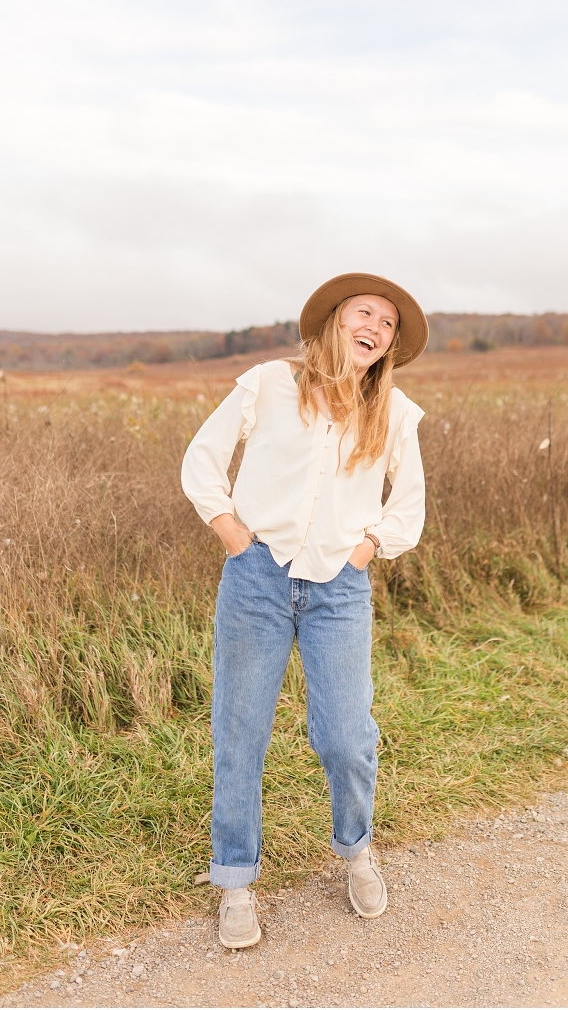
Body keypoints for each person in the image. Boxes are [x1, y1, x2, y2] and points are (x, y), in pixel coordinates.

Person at [181, 272, 428, 949]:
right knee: (240, 732)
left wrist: (370, 544)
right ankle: (234, 879)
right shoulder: (268, 382)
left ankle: (356, 850)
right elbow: (202, 457)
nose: (375, 327)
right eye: (365, 313)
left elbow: (409, 504)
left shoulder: (395, 412)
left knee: (346, 736)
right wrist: (226, 522)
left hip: (338, 589)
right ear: (335, 319)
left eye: (387, 323)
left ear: (389, 343)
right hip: (257, 577)